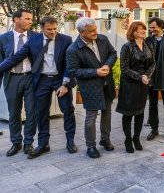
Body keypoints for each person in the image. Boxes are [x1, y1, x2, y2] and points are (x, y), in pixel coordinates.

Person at [0, 16, 77, 159]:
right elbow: (16, 57)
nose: (53, 32)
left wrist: (65, 84)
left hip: (60, 79)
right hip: (41, 80)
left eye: (55, 28)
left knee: (68, 110)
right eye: (49, 29)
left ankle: (70, 141)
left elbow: (69, 64)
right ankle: (43, 144)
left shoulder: (66, 40)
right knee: (41, 113)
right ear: (42, 28)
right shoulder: (33, 40)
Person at [66, 17, 117, 159]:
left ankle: (105, 139)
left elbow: (113, 53)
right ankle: (91, 146)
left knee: (107, 114)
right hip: (90, 88)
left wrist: (107, 65)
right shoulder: (73, 49)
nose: (96, 32)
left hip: (107, 83)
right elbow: (73, 70)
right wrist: (96, 72)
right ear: (82, 33)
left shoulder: (103, 39)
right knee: (91, 118)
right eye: (91, 31)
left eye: (95, 29)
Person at [0, 9, 37, 156]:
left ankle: (28, 143)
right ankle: (16, 143)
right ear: (16, 19)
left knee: (31, 112)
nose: (30, 21)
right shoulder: (3, 38)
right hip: (12, 78)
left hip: (31, 78)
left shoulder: (36, 37)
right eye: (27, 18)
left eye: (31, 19)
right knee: (14, 113)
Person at [117, 21, 155, 153]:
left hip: (143, 83)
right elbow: (124, 68)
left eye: (144, 30)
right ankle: (128, 139)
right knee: (128, 113)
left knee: (140, 112)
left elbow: (153, 64)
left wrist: (147, 76)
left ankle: (136, 138)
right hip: (129, 84)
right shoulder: (127, 47)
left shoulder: (148, 45)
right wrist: (140, 76)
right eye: (141, 30)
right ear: (133, 32)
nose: (144, 31)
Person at [146, 17, 164, 141]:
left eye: (154, 27)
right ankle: (154, 129)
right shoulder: (147, 40)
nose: (151, 30)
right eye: (150, 27)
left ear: (161, 26)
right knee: (152, 104)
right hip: (151, 77)